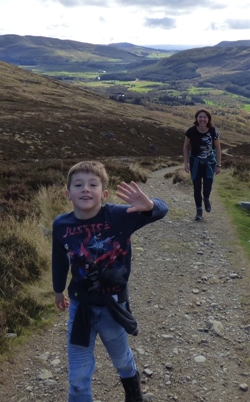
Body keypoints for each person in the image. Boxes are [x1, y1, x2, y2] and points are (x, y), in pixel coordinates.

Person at [52, 160, 169, 402]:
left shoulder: (118, 216)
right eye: (78, 184)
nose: (85, 189)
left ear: (103, 193)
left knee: (122, 361)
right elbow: (60, 260)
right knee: (77, 379)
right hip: (79, 307)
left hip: (112, 306)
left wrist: (148, 206)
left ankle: (134, 395)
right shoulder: (61, 225)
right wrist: (57, 290)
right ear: (68, 194)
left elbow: (162, 209)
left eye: (92, 184)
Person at [183, 109, 221, 221]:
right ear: (196, 118)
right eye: (200, 117)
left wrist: (219, 165)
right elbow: (186, 146)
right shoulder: (191, 131)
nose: (202, 119)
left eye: (205, 117)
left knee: (208, 186)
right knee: (196, 187)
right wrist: (186, 163)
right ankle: (199, 211)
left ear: (208, 119)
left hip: (209, 163)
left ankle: (206, 198)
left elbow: (218, 148)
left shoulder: (213, 131)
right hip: (195, 163)